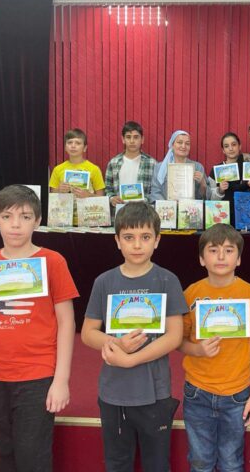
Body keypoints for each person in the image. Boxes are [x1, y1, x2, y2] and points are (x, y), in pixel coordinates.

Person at [0, 185, 78, 471]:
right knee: (2, 456)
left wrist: (61, 380)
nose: (15, 224)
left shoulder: (53, 261)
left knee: (33, 458)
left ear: (37, 221)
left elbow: (67, 323)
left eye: (25, 217)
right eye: (7, 216)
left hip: (37, 374)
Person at [81, 202, 187, 472]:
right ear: (117, 241)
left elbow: (174, 336)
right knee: (117, 463)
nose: (137, 245)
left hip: (155, 394)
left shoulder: (167, 280)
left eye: (145, 237)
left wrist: (131, 359)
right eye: (129, 237)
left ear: (157, 240)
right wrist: (115, 343)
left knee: (156, 464)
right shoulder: (104, 282)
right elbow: (88, 333)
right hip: (113, 393)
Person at [180, 224, 250, 471]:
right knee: (200, 461)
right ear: (201, 258)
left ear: (238, 259)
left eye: (229, 250)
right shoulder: (191, 294)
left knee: (231, 462)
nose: (221, 256)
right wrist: (197, 350)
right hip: (197, 391)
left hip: (237, 393)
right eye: (213, 250)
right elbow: (178, 340)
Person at [49, 128, 106, 225]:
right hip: (63, 220)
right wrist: (59, 189)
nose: (73, 146)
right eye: (69, 142)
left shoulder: (94, 169)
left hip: (88, 220)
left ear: (85, 148)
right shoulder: (58, 169)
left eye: (78, 143)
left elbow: (101, 197)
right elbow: (52, 194)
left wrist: (88, 195)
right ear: (65, 147)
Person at [150, 130, 222, 202]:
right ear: (172, 145)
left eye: (187, 143)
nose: (183, 146)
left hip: (191, 208)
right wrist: (169, 205)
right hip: (166, 208)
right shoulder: (160, 167)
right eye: (180, 142)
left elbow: (206, 198)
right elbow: (155, 191)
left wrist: (203, 184)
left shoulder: (198, 167)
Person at [104, 121, 157, 208]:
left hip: (143, 211)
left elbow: (155, 191)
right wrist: (112, 198)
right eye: (128, 137)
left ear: (142, 139)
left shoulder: (152, 163)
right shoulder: (113, 163)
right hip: (120, 211)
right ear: (123, 139)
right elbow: (107, 188)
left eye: (136, 137)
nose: (132, 141)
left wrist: (144, 200)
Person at [209, 132, 247, 223]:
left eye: (234, 144)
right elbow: (210, 197)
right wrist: (220, 190)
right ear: (223, 150)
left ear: (239, 146)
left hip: (245, 215)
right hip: (223, 217)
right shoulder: (216, 170)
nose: (231, 148)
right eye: (226, 146)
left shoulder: (247, 168)